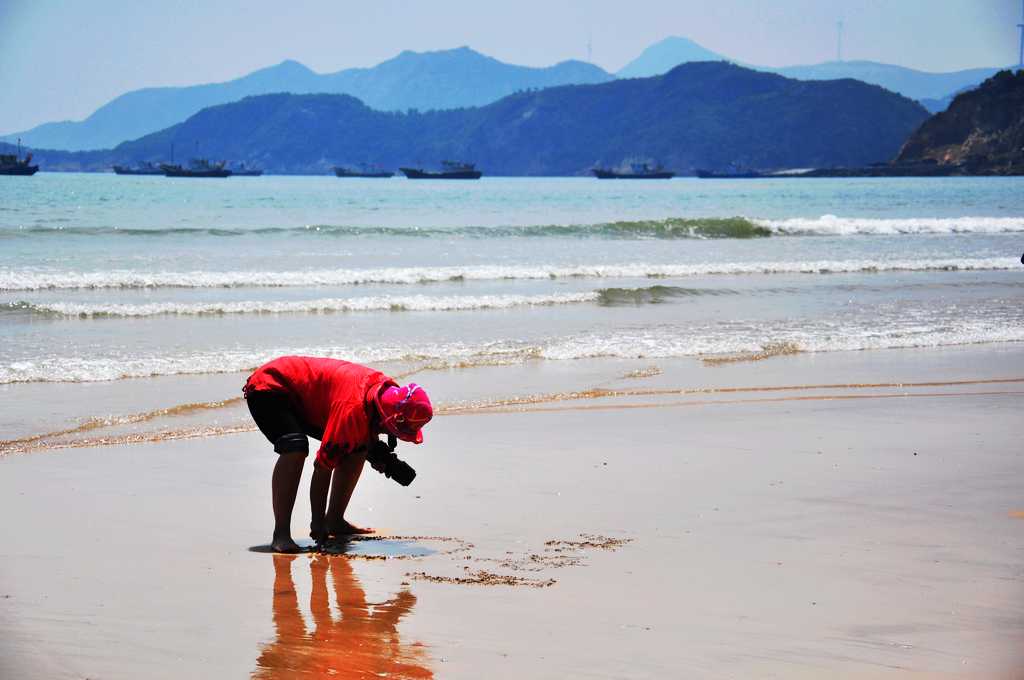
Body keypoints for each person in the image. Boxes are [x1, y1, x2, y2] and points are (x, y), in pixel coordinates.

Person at [243, 355, 432, 553]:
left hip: (309, 400)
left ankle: (335, 520)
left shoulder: (386, 394)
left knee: (357, 447)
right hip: (271, 387)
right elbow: (322, 468)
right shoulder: (352, 408)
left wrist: (378, 454)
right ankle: (281, 534)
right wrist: (317, 523)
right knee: (295, 447)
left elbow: (366, 430)